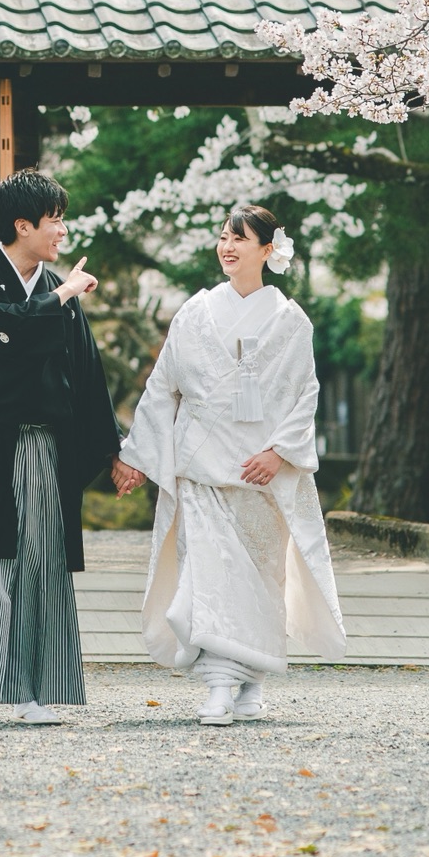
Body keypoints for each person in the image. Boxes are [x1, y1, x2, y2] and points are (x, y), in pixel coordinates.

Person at [112, 202, 345, 725]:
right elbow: (162, 388)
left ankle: (251, 685)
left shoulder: (290, 321)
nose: (228, 247)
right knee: (210, 578)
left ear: (268, 249)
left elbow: (305, 393)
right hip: (200, 469)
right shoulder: (194, 313)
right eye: (223, 236)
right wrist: (135, 457)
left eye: (240, 238)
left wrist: (279, 452)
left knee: (259, 581)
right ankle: (219, 687)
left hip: (258, 473)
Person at [0, 168, 125, 725]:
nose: (62, 230)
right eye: (54, 219)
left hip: (44, 446)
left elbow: (86, 375)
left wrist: (115, 450)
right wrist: (63, 294)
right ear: (22, 225)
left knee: (39, 563)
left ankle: (31, 690)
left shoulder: (58, 291)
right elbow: (6, 336)